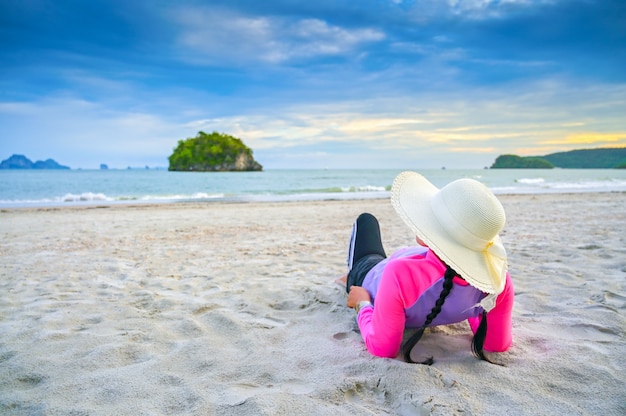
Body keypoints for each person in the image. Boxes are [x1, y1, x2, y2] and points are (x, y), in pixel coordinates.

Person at [344, 171, 514, 364]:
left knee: (366, 220)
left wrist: (363, 303)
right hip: (404, 263)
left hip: (369, 274)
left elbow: (382, 348)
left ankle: (346, 278)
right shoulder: (497, 279)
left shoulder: (401, 274)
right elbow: (495, 344)